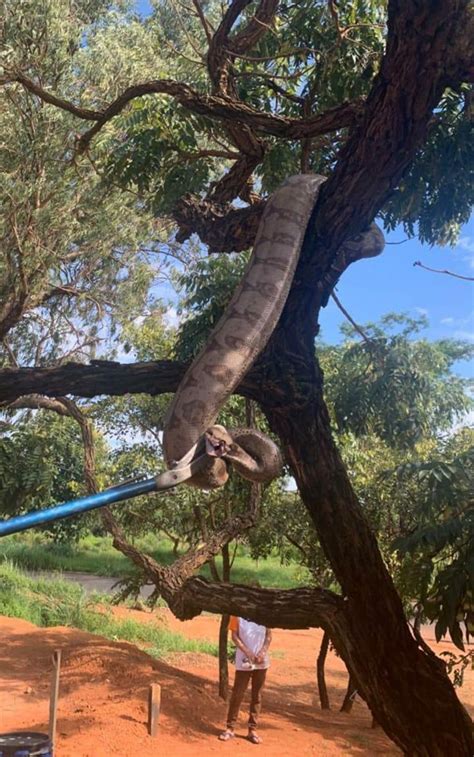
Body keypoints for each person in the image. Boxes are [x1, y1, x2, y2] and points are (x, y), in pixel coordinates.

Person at [219, 615, 272, 745]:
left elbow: (269, 636)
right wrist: (247, 652)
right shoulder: (236, 615)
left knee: (257, 695)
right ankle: (230, 728)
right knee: (238, 694)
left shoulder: (264, 613)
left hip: (261, 661)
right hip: (244, 660)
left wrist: (263, 652)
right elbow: (234, 636)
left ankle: (252, 730)